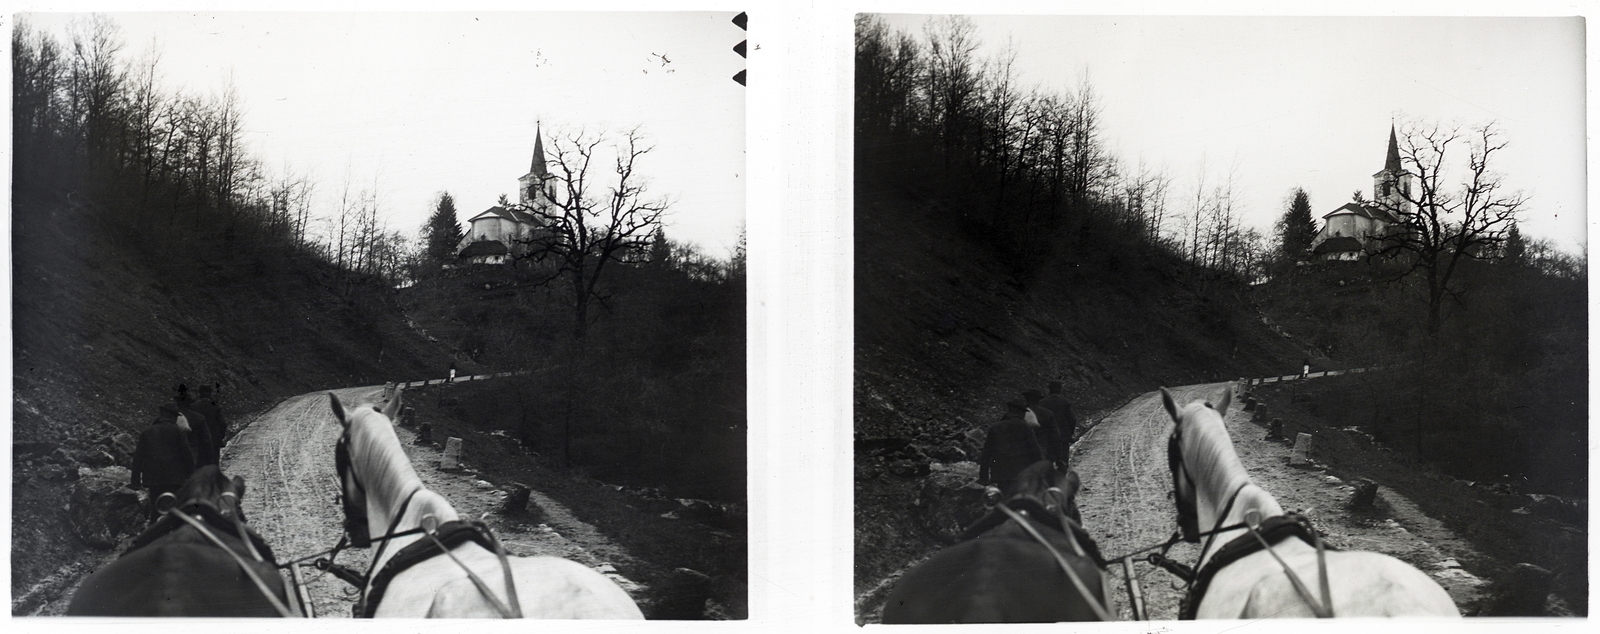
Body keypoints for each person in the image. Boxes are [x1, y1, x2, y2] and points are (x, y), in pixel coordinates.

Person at [131, 403, 196, 521]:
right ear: (171, 416)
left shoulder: (147, 432)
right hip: (174, 478)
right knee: (174, 508)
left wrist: (135, 481)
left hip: (153, 479)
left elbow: (138, 457)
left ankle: (155, 532)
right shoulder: (178, 431)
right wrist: (191, 475)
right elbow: (187, 455)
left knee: (156, 508)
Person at [978, 401, 1044, 499]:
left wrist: (984, 477)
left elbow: (986, 453)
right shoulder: (1025, 427)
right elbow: (1035, 451)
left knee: (1004, 500)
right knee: (1018, 500)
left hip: (1000, 474)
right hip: (1021, 473)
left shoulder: (996, 427)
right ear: (1019, 412)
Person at [1039, 381, 1079, 466]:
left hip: (1047, 437)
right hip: (1063, 436)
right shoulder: (1064, 402)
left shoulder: (1042, 403)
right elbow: (1072, 419)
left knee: (1048, 461)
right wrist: (1070, 433)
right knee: (1063, 462)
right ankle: (1061, 477)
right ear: (1060, 390)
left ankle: (1049, 478)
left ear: (1049, 389)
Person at [1022, 389, 1063, 470]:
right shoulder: (1047, 413)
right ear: (1039, 400)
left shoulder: (1019, 413)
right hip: (1043, 450)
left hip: (1022, 452)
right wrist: (1058, 457)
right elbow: (1055, 437)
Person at [191, 384, 228, 449]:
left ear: (199, 393)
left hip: (199, 442)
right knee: (214, 458)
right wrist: (220, 436)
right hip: (214, 440)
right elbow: (223, 423)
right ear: (210, 393)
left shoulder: (193, 407)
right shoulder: (216, 407)